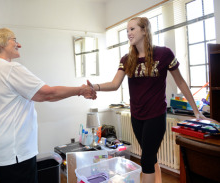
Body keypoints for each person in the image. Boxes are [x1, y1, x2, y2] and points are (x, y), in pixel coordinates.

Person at [88, 17, 208, 183]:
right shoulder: (126, 59)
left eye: (132, 29)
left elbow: (180, 81)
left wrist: (196, 110)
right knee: (150, 157)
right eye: (127, 30)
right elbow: (115, 84)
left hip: (156, 116)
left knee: (145, 160)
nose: (128, 33)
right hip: (137, 116)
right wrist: (94, 86)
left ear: (144, 30)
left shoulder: (164, 54)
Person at [0, 28, 96, 183]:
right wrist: (81, 90)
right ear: (1, 43)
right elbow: (47, 94)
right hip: (14, 151)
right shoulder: (9, 68)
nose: (19, 44)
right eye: (14, 40)